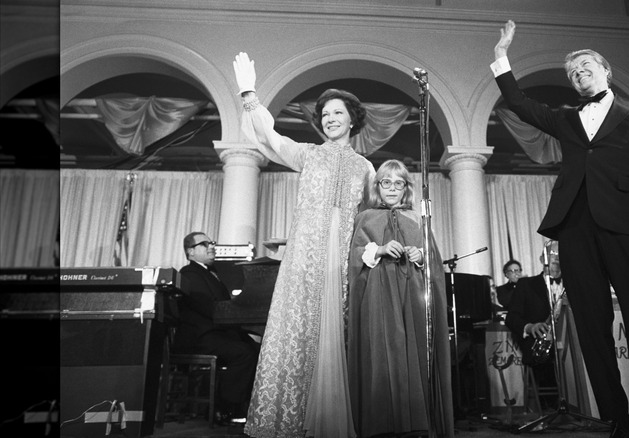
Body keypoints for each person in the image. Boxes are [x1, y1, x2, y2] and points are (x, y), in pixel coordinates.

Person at [491, 21, 629, 438]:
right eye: (572, 72)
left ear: (606, 71)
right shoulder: (565, 119)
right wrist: (502, 56)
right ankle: (617, 419)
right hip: (575, 229)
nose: (579, 73)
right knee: (591, 328)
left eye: (586, 66)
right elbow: (519, 103)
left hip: (627, 226)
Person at [233, 52, 376, 438]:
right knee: (298, 335)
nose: (329, 119)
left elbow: (372, 220)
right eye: (325, 114)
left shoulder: (366, 168)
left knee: (341, 336)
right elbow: (270, 137)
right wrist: (250, 94)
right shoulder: (308, 155)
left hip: (345, 262)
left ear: (352, 120)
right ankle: (290, 422)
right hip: (304, 259)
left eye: (337, 113)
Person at [347, 159, 454, 438]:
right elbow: (355, 257)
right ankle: (381, 424)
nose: (392, 188)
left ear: (406, 187)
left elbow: (432, 259)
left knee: (414, 349)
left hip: (412, 292)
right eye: (386, 182)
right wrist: (380, 248)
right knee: (380, 352)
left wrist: (421, 256)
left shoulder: (417, 219)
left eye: (398, 183)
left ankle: (416, 423)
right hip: (378, 293)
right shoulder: (365, 217)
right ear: (377, 186)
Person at [174, 232, 261, 424]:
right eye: (204, 244)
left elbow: (223, 306)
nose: (211, 246)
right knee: (244, 353)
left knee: (258, 351)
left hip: (218, 333)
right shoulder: (189, 274)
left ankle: (247, 408)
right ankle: (224, 408)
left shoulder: (210, 273)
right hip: (201, 337)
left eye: (211, 242)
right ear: (190, 252)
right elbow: (209, 307)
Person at [502, 243, 561, 410]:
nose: (556, 257)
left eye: (560, 254)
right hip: (540, 346)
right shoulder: (526, 284)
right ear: (543, 259)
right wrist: (529, 327)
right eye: (552, 254)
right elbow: (511, 318)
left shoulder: (575, 284)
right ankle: (548, 407)